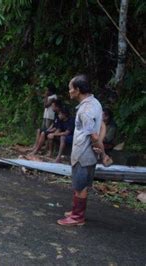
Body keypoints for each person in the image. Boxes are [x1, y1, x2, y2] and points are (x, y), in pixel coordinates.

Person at [58, 75, 103, 226]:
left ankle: (77, 217)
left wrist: (102, 152)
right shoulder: (95, 103)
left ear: (77, 90)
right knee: (81, 184)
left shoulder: (85, 110)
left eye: (70, 88)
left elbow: (94, 135)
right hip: (88, 153)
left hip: (83, 153)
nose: (69, 91)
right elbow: (101, 126)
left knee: (80, 186)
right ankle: (76, 211)